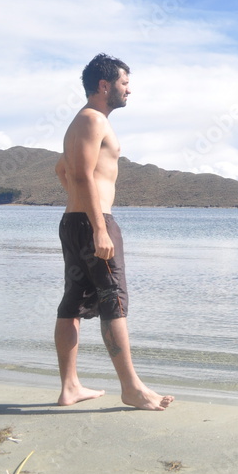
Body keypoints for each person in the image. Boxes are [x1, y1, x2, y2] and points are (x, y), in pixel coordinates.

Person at [54, 53, 173, 410]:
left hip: (73, 222)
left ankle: (70, 387)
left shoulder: (80, 121)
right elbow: (78, 175)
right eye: (124, 83)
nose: (129, 90)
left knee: (72, 303)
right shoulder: (94, 121)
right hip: (94, 222)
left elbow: (61, 169)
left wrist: (79, 208)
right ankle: (132, 388)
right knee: (113, 301)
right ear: (104, 85)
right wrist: (98, 228)